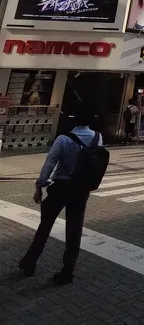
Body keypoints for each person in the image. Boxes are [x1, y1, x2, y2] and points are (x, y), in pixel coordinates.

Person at [18, 108, 104, 284]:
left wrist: (40, 185)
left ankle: (30, 263)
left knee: (45, 226)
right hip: (81, 190)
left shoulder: (63, 139)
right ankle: (67, 271)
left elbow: (50, 163)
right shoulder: (97, 138)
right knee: (74, 230)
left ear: (74, 120)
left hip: (61, 187)